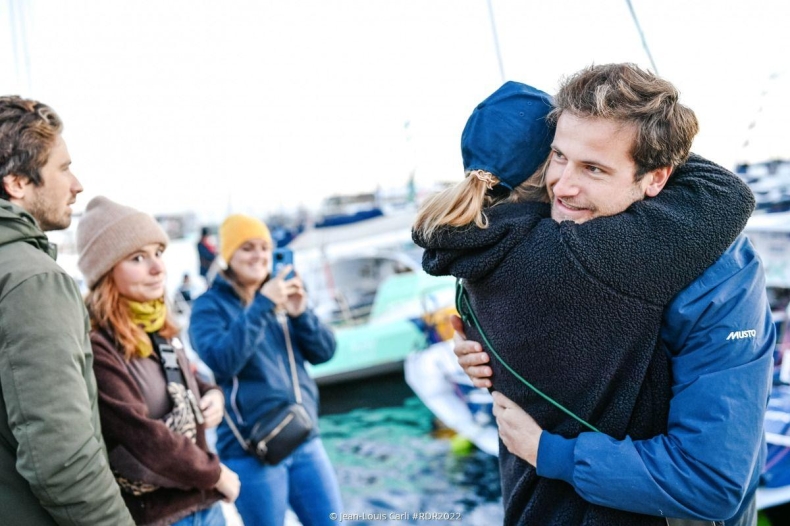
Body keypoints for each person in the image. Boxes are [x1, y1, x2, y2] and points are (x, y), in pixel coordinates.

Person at [448, 65, 774, 526]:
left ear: (658, 179)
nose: (563, 186)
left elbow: (711, 481)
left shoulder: (718, 276)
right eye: (558, 157)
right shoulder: (543, 231)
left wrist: (551, 453)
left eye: (594, 168)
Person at [0, 96, 135, 525]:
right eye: (63, 168)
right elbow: (61, 459)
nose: (76, 184)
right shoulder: (32, 281)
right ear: (18, 182)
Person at [76, 196, 240, 525]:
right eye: (138, 258)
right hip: (165, 516)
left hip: (204, 506)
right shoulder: (99, 346)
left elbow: (188, 378)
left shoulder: (157, 327)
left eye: (158, 254)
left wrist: (213, 394)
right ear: (105, 270)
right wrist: (214, 474)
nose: (157, 268)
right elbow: (140, 434)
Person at [189, 214, 342, 526]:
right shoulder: (208, 306)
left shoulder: (283, 294)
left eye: (264, 247)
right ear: (228, 255)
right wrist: (262, 305)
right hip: (251, 453)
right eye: (247, 248)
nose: (258, 255)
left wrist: (301, 314)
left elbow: (325, 352)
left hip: (303, 438)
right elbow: (222, 360)